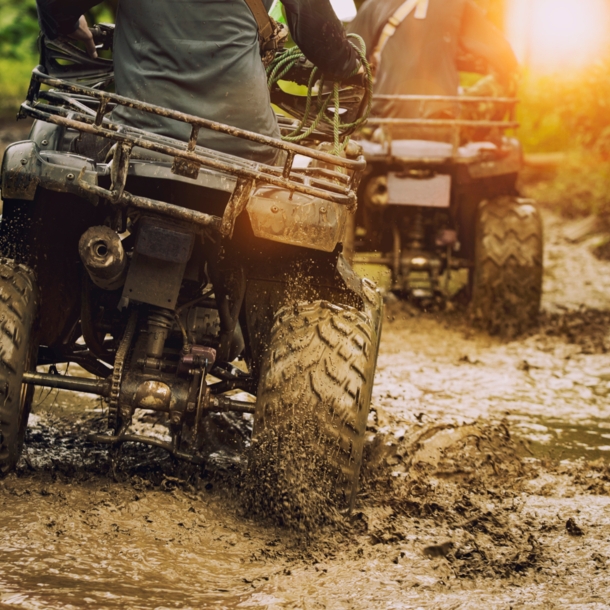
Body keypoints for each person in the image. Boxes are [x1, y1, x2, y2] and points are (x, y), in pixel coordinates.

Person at [36, 0, 361, 163]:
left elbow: (55, 5)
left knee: (50, 141)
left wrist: (68, 24)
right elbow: (321, 39)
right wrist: (351, 66)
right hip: (248, 147)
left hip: (142, 141)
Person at [348, 0, 518, 137]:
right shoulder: (458, 5)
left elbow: (348, 64)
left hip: (381, 121)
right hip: (442, 123)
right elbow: (504, 56)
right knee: (505, 80)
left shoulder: (373, 5)